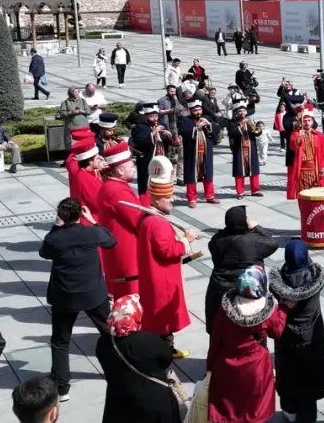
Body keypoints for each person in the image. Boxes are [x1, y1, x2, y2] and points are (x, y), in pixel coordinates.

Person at [40, 197, 116, 400]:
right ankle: (118, 373)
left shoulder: (54, 238)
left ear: (61, 216)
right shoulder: (91, 233)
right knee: (110, 334)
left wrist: (55, 228)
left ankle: (62, 386)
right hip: (93, 293)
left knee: (60, 341)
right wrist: (93, 220)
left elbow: (44, 253)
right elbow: (110, 241)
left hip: (64, 296)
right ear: (80, 214)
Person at [208, 266, 288, 423]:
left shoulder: (225, 309)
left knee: (230, 408)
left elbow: (215, 340)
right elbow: (277, 332)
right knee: (254, 409)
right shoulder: (267, 309)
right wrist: (283, 309)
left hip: (227, 365)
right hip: (256, 368)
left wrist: (210, 367)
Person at [136, 157, 195, 359]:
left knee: (158, 319)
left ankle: (164, 349)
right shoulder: (158, 223)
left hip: (155, 276)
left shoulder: (149, 219)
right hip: (163, 279)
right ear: (158, 199)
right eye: (168, 196)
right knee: (163, 319)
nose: (172, 199)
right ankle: (163, 353)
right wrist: (186, 241)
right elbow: (168, 250)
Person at [268, 239, 324, 423]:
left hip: (287, 337)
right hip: (311, 336)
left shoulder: (278, 282)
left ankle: (289, 410)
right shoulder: (314, 280)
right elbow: (314, 269)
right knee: (309, 380)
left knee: (288, 375)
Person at [96, 294, 182, 423]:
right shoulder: (149, 340)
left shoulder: (103, 343)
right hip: (153, 402)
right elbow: (166, 359)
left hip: (119, 401)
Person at [205, 205, 278, 334]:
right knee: (249, 332)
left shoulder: (216, 240)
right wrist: (256, 227)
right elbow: (272, 243)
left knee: (221, 331)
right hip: (246, 292)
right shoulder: (251, 241)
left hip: (219, 289)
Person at [97, 141, 143, 298]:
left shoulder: (113, 186)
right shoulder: (117, 190)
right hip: (126, 250)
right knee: (130, 294)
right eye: (131, 166)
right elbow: (137, 219)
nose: (133, 169)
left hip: (119, 248)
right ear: (121, 170)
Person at [179, 100, 219, 207]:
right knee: (192, 175)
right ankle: (192, 199)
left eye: (199, 110)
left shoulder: (207, 118)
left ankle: (210, 196)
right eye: (195, 110)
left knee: (208, 173)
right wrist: (197, 128)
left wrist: (209, 124)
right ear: (191, 110)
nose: (198, 112)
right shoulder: (185, 120)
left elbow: (217, 129)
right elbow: (184, 132)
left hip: (206, 152)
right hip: (192, 153)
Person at [131, 103, 172, 206]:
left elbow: (167, 144)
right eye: (151, 116)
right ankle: (144, 203)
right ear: (145, 116)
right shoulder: (140, 127)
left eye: (156, 116)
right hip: (146, 160)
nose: (154, 118)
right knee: (145, 183)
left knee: (159, 182)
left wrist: (169, 136)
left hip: (160, 160)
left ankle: (158, 202)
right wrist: (153, 133)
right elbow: (139, 142)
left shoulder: (162, 125)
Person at [286, 105, 324, 199]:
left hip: (316, 171)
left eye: (309, 120)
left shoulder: (319, 135)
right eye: (304, 121)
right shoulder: (295, 134)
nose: (307, 123)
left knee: (318, 198)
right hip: (301, 172)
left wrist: (323, 167)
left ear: (312, 121)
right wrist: (299, 137)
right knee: (303, 198)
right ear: (300, 122)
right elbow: (293, 146)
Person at [227, 103, 263, 199]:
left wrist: (257, 128)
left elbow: (257, 133)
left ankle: (255, 190)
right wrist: (241, 125)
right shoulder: (232, 123)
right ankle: (240, 192)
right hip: (239, 149)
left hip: (251, 148)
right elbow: (232, 133)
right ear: (236, 113)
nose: (242, 113)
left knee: (254, 170)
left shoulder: (250, 121)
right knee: (239, 171)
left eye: (243, 111)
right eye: (239, 111)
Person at [0, 106, 22, 174]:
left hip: (2, 143)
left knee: (15, 147)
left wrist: (9, 140)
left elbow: (4, 132)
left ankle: (14, 165)